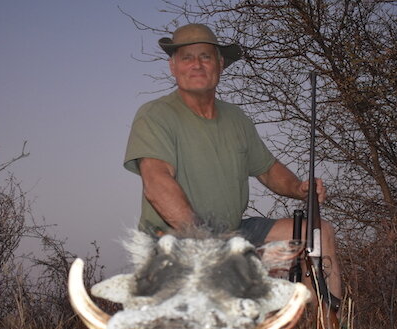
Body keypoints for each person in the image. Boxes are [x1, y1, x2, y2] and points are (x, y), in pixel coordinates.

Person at [124, 23, 342, 299]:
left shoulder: (237, 119)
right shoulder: (155, 115)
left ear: (220, 64)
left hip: (233, 233)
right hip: (174, 241)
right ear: (173, 66)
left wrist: (298, 187)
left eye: (205, 56)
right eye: (187, 57)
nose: (197, 64)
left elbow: (268, 169)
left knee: (318, 235)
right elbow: (156, 185)